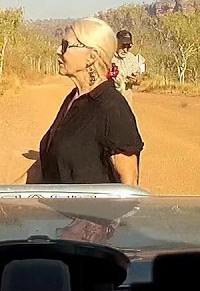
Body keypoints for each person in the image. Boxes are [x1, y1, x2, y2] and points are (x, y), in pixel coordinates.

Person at [31, 17, 145, 185]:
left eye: (65, 46)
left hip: (89, 212)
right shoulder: (75, 98)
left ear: (91, 57)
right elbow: (47, 164)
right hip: (55, 210)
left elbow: (129, 183)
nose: (58, 51)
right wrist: (3, 198)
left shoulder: (112, 108)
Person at [111, 29, 146, 108]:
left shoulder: (131, 58)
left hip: (127, 105)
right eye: (123, 46)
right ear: (116, 43)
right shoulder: (108, 57)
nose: (125, 50)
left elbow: (139, 79)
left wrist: (136, 80)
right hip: (110, 104)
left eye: (128, 47)